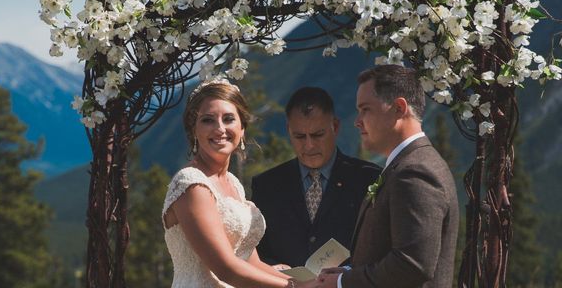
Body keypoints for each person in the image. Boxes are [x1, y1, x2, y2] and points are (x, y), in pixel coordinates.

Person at [162, 78, 316, 288]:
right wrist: (294, 287)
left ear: (242, 128)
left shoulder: (233, 184)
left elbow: (247, 260)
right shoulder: (192, 184)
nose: (219, 129)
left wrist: (307, 282)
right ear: (193, 128)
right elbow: (226, 269)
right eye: (208, 120)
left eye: (228, 119)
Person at [315, 65, 459, 288]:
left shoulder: (416, 171)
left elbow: (412, 265)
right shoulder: (407, 165)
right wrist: (348, 270)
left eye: (365, 109)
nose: (357, 121)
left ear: (399, 108)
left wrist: (343, 282)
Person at [251, 87, 381, 267]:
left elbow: (382, 248)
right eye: (299, 136)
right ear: (288, 130)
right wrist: (273, 269)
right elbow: (256, 251)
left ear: (335, 126)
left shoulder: (369, 178)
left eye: (318, 135)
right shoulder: (266, 185)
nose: (309, 145)